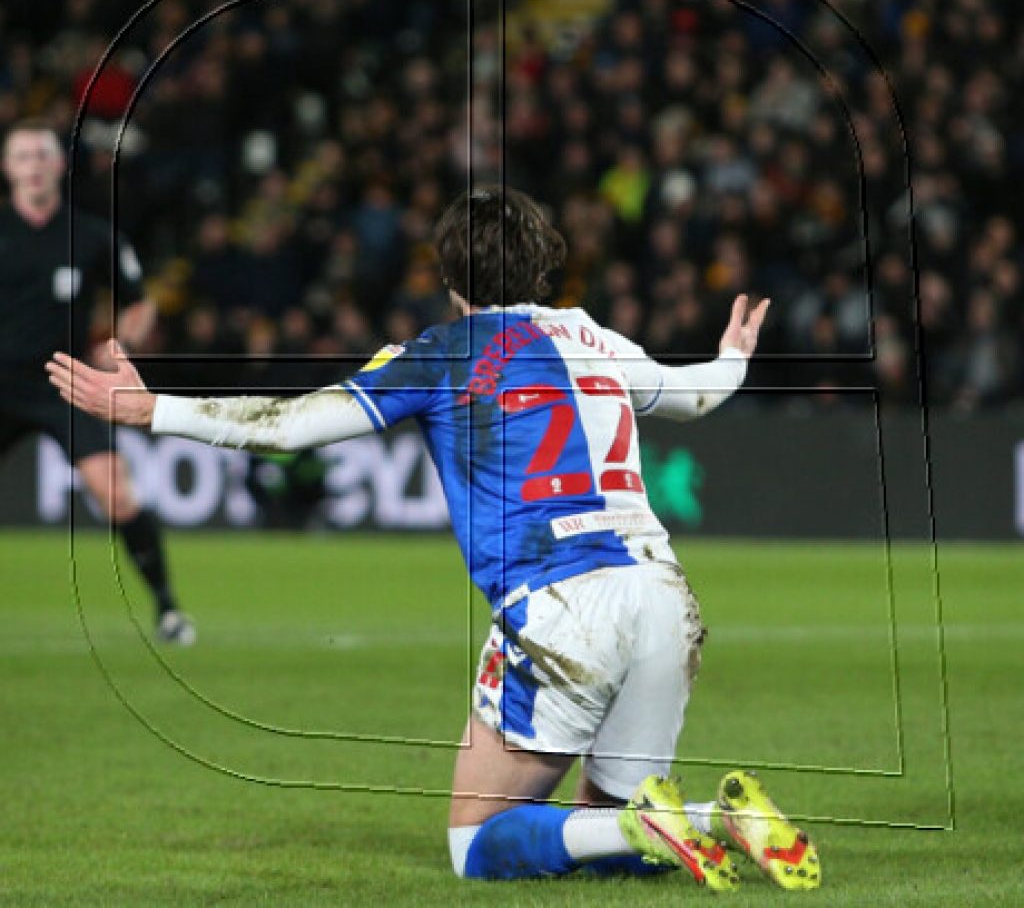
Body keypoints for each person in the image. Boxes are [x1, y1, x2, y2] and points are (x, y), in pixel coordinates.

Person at [46, 187, 820, 891]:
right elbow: (695, 396)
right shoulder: (592, 337)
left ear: (448, 276)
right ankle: (720, 823)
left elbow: (290, 427)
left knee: (476, 845)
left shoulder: (439, 357)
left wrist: (157, 412)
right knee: (613, 832)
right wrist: (733, 355)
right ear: (544, 264)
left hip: (564, 605)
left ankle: (656, 821)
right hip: (664, 599)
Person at [2, 120, 195, 645]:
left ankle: (168, 609)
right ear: (8, 168)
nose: (35, 166)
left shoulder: (90, 236)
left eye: (43, 156)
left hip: (63, 383)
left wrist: (117, 345)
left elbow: (138, 301)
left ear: (60, 166)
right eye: (23, 157)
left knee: (116, 494)